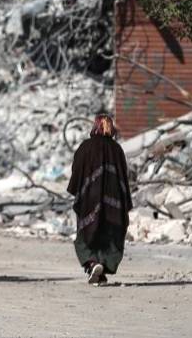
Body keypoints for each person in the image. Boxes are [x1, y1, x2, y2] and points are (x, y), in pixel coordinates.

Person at [67, 114, 133, 286]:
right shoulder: (116, 149)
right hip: (113, 202)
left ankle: (92, 264)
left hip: (89, 200)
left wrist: (79, 189)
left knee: (86, 233)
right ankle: (102, 268)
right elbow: (123, 177)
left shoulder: (85, 147)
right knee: (110, 236)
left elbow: (76, 170)